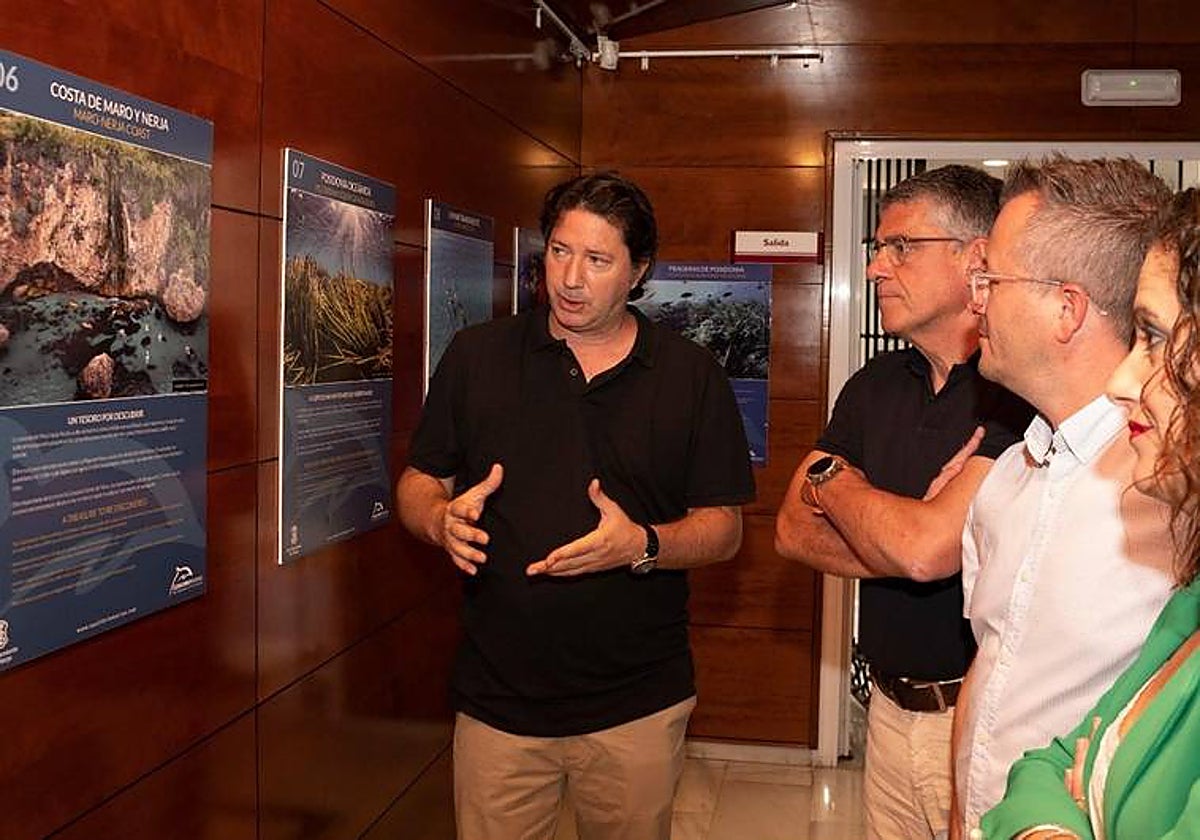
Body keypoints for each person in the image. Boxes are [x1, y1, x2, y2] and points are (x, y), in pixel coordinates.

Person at [395, 172, 755, 840]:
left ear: (638, 271)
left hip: (636, 706)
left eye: (597, 260)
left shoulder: (689, 375)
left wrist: (641, 545)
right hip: (498, 706)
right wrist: (439, 520)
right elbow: (419, 480)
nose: (570, 278)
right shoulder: (478, 356)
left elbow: (723, 530)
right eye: (560, 251)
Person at [775, 165, 1031, 840]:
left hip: (986, 720)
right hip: (886, 714)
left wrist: (836, 485)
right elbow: (791, 531)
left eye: (901, 246)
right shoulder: (874, 384)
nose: (875, 268)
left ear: (975, 258)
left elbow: (923, 551)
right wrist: (911, 535)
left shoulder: (1016, 388)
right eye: (877, 248)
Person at [953, 157, 1177, 836]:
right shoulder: (1005, 479)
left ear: (1067, 308)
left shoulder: (1172, 487)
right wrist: (962, 814)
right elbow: (988, 665)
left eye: (991, 279)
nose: (975, 300)